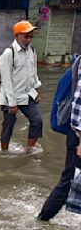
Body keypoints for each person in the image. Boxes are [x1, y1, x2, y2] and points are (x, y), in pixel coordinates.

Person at [37, 60, 81, 221]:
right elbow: (78, 105)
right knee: (68, 182)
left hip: (75, 133)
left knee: (68, 181)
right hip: (77, 135)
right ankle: (42, 219)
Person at [0, 20, 43, 153]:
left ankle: (29, 150)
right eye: (26, 36)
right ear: (17, 35)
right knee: (8, 125)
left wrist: (37, 90)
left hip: (27, 93)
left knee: (37, 121)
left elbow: (33, 72)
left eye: (31, 36)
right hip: (11, 95)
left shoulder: (32, 50)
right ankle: (4, 152)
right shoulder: (8, 53)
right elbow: (6, 81)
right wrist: (12, 103)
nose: (29, 39)